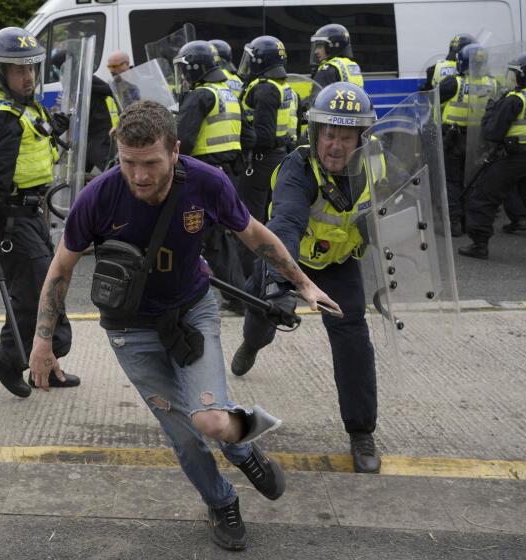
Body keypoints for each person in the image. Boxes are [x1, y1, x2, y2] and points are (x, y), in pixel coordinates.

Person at [28, 99, 338, 551]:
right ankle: (221, 502)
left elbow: (254, 234)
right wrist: (42, 341)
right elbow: (60, 271)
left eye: (151, 162)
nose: (139, 175)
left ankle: (242, 446)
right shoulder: (98, 197)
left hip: (192, 310)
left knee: (211, 420)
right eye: (128, 162)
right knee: (185, 436)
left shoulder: (208, 184)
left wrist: (304, 284)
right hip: (129, 329)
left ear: (174, 150)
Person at [232, 82, 383, 474]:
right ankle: (252, 344)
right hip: (286, 258)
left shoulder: (376, 164)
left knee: (353, 337)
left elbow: (393, 216)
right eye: (328, 134)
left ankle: (361, 432)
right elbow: (285, 225)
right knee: (262, 314)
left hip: (339, 263)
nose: (334, 145)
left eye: (346, 136)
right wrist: (283, 282)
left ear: (362, 139)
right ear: (314, 133)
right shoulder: (295, 169)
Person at [0, 26, 80, 398]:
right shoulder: (0, 117)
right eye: (19, 70)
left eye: (32, 68)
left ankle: (48, 364)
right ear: (0, 72)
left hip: (32, 213)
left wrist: (53, 129)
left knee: (50, 287)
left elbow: (33, 150)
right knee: (35, 296)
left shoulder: (24, 106)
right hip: (12, 220)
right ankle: (8, 361)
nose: (28, 76)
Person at [173, 40, 246, 312]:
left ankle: (235, 297)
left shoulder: (200, 96)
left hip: (201, 174)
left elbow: (183, 141)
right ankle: (238, 295)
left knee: (201, 235)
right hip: (228, 172)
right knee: (222, 236)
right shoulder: (226, 93)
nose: (182, 75)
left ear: (195, 69)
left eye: (184, 69)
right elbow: (246, 136)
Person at [459, 52, 526, 259]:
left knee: (483, 196)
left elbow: (491, 132)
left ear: (525, 76)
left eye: (515, 74)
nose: (512, 78)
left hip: (514, 157)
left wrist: (491, 109)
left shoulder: (515, 100)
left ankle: (479, 244)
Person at [236, 36, 298, 231]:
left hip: (261, 162)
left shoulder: (265, 89)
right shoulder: (283, 86)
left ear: (261, 61)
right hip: (279, 157)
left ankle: (251, 260)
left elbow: (263, 135)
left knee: (250, 221)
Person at [438, 43, 496, 236]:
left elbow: (432, 100)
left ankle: (454, 222)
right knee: (471, 181)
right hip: (478, 140)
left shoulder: (455, 83)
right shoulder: (492, 84)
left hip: (453, 139)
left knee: (452, 181)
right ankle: (469, 222)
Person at [309, 24, 363, 88]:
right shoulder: (352, 65)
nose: (316, 51)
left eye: (320, 47)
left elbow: (317, 96)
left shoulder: (327, 69)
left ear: (332, 46)